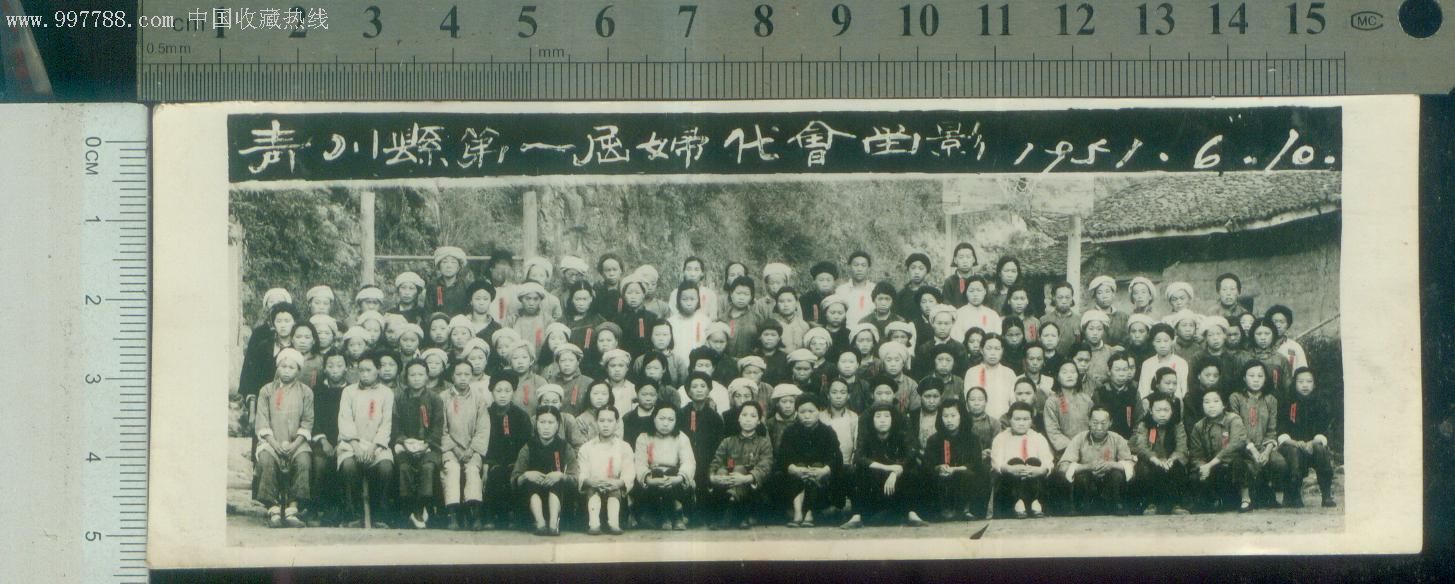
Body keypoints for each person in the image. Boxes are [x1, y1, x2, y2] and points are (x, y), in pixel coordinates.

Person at [840, 403, 931, 529]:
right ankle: (857, 516)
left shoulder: (900, 435)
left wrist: (895, 472)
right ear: (872, 420)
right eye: (878, 416)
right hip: (874, 483)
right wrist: (887, 468)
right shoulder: (867, 437)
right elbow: (859, 458)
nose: (882, 420)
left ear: (892, 419)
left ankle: (912, 513)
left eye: (887, 416)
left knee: (914, 471)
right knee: (854, 472)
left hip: (897, 484)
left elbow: (911, 455)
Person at [254, 348, 315, 528]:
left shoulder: (306, 392)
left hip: (297, 443)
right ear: (277, 367)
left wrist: (295, 445)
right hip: (271, 442)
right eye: (283, 366)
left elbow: (307, 422)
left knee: (303, 462)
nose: (287, 371)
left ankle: (292, 509)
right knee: (266, 460)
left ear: (298, 370)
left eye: (291, 367)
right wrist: (274, 444)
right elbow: (262, 420)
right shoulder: (266, 390)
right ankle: (273, 510)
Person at [336, 352, 396, 528]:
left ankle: (380, 516)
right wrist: (355, 446)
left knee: (385, 468)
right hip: (351, 444)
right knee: (348, 467)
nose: (364, 374)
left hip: (377, 446)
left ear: (378, 370)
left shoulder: (387, 393)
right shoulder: (348, 391)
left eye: (368, 370)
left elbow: (386, 424)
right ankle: (352, 515)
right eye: (361, 370)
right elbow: (345, 420)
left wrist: (373, 448)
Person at [775, 394, 843, 528]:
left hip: (821, 477)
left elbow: (836, 457)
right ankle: (798, 512)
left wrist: (825, 470)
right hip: (797, 475)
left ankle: (809, 513)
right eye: (802, 412)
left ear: (819, 411)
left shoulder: (827, 432)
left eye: (811, 411)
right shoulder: (790, 432)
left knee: (816, 469)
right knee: (798, 469)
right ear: (797, 413)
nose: (807, 416)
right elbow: (783, 456)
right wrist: (792, 468)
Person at [392, 359, 445, 529]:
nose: (416, 378)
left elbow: (438, 426)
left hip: (429, 446)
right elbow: (395, 425)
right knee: (404, 468)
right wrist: (404, 442)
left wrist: (426, 444)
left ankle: (423, 506)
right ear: (406, 377)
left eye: (420, 374)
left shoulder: (435, 399)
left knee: (428, 467)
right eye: (412, 375)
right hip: (406, 445)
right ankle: (408, 509)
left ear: (427, 377)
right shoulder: (399, 398)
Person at [439, 360, 491, 530]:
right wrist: (453, 448)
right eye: (458, 374)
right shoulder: (443, 398)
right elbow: (441, 428)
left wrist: (472, 449)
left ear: (472, 376)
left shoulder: (479, 399)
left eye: (467, 374)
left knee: (473, 470)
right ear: (452, 376)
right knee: (452, 469)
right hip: (450, 448)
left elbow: (483, 428)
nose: (463, 378)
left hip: (472, 448)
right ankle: (452, 514)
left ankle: (474, 513)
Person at [511, 405, 579, 536]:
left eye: (550, 422)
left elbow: (575, 478)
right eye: (542, 422)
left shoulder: (565, 447)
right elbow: (515, 478)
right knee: (530, 483)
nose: (546, 427)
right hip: (533, 502)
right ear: (536, 424)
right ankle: (540, 523)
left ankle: (554, 524)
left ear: (557, 425)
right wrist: (526, 475)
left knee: (557, 482)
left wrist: (561, 476)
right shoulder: (528, 447)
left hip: (559, 501)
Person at [708, 401, 776, 530]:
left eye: (753, 416)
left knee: (740, 469)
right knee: (722, 470)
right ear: (738, 419)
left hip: (751, 489)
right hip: (727, 483)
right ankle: (732, 507)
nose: (748, 419)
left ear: (759, 421)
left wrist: (746, 478)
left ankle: (730, 510)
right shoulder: (727, 442)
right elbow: (716, 462)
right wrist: (713, 477)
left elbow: (765, 466)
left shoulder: (763, 443)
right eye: (744, 415)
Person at [1229, 360, 1286, 508]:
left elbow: (1272, 430)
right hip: (1242, 446)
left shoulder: (1271, 400)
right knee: (1243, 464)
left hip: (1264, 446)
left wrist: (1266, 452)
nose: (1256, 380)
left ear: (1265, 379)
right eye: (1251, 376)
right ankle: (1247, 496)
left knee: (1279, 463)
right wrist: (1253, 450)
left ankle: (1267, 491)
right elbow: (1237, 429)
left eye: (1260, 376)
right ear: (1244, 377)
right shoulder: (1235, 398)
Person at [1278, 367, 1337, 508]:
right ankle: (1294, 494)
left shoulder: (1321, 403)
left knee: (1321, 450)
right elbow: (1281, 429)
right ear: (1294, 383)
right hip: (1292, 445)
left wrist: (1312, 442)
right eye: (1300, 382)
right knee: (1293, 452)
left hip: (1312, 444)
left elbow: (1324, 429)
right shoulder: (1287, 403)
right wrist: (1295, 442)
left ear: (1314, 384)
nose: (1305, 385)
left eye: (1309, 381)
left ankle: (1326, 495)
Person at [1060, 407, 1136, 516]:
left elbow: (1130, 466)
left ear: (1110, 423)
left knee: (1117, 474)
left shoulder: (1117, 439)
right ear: (1089, 422)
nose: (1099, 427)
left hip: (1109, 488)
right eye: (1095, 423)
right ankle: (1083, 508)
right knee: (1082, 475)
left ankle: (1116, 506)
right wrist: (1087, 466)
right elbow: (1063, 466)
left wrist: (1111, 465)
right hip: (1088, 487)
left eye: (1103, 423)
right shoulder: (1079, 438)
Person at [634, 403, 696, 530]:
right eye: (661, 419)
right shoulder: (644, 437)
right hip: (653, 478)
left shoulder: (681, 437)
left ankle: (673, 515)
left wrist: (678, 478)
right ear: (654, 418)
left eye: (670, 419)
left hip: (674, 478)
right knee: (657, 473)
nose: (665, 423)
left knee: (670, 474)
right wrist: (649, 480)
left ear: (676, 421)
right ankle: (670, 515)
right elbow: (640, 463)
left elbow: (688, 462)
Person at [481, 373, 530, 530]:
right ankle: (490, 516)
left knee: (511, 472)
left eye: (507, 391)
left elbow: (526, 444)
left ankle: (513, 516)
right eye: (498, 391)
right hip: (492, 459)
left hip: (515, 460)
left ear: (513, 392)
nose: (503, 395)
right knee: (495, 473)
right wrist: (487, 463)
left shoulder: (521, 416)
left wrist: (518, 463)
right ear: (492, 392)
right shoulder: (485, 414)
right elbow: (483, 441)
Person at [1188, 391, 1250, 513]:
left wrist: (1210, 464)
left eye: (1216, 401)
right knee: (1195, 477)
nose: (1211, 405)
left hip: (1231, 464)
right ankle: (1214, 500)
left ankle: (1246, 499)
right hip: (1212, 468)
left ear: (1223, 405)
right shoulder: (1198, 426)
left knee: (1238, 463)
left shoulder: (1233, 419)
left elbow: (1235, 444)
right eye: (1207, 402)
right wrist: (1203, 467)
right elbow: (1196, 454)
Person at [578, 406, 635, 535]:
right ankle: (594, 524)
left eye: (610, 421)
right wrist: (590, 482)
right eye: (602, 420)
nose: (605, 425)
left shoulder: (624, 447)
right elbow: (582, 472)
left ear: (617, 423)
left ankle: (614, 523)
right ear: (596, 422)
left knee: (614, 491)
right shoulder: (586, 448)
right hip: (592, 491)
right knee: (592, 490)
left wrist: (618, 483)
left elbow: (629, 473)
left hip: (615, 491)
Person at [922, 399, 983, 521]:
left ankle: (966, 509)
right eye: (945, 416)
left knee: (974, 473)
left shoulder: (972, 438)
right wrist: (938, 467)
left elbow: (976, 462)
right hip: (942, 478)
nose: (949, 420)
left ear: (961, 416)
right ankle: (943, 509)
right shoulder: (934, 440)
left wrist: (956, 469)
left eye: (953, 416)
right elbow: (928, 463)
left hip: (963, 475)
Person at [990, 402, 1054, 519]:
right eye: (1017, 419)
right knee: (1015, 461)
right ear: (1010, 419)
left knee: (1034, 461)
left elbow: (1048, 461)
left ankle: (1034, 502)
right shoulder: (1001, 438)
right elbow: (996, 463)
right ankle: (1018, 502)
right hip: (1010, 484)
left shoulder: (1038, 438)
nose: (1021, 423)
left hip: (1033, 483)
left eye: (1025, 419)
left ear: (1031, 420)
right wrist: (1009, 469)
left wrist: (1040, 470)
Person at [1131, 394, 1190, 515]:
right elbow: (1141, 447)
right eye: (1158, 410)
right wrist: (1155, 459)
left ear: (1172, 411)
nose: (1162, 414)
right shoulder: (1144, 425)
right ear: (1151, 411)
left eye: (1166, 410)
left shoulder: (1177, 425)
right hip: (1152, 461)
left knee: (1178, 467)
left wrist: (1172, 459)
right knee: (1144, 469)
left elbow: (1181, 446)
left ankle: (1176, 505)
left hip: (1170, 460)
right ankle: (1150, 504)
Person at [308, 352, 348, 526]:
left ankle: (338, 511)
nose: (335, 370)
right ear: (324, 369)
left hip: (345, 440)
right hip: (322, 440)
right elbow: (313, 418)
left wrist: (342, 442)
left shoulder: (351, 390)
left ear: (346, 368)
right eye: (330, 366)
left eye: (339, 365)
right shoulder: (317, 391)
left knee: (343, 462)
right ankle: (316, 508)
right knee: (320, 462)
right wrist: (323, 441)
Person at [680, 371, 726, 520]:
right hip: (685, 461)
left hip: (707, 462)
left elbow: (719, 446)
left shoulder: (715, 418)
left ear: (709, 390)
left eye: (703, 386)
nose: (699, 390)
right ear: (688, 391)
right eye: (694, 386)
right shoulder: (681, 413)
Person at [966, 334, 1018, 420]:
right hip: (978, 421)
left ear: (1002, 350)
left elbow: (1014, 402)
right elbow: (968, 402)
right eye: (989, 348)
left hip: (1004, 422)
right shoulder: (972, 372)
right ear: (981, 350)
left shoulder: (1009, 373)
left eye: (997, 349)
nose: (993, 353)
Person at [1094, 351, 1141, 439]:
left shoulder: (1133, 393)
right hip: (1105, 439)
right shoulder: (1100, 393)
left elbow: (1139, 420)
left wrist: (1132, 439)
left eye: (1124, 369)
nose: (1121, 374)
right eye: (1117, 370)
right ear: (1109, 371)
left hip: (1128, 440)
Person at [1138, 324, 1189, 400]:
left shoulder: (1181, 363)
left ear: (1172, 341)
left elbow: (1184, 391)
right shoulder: (1147, 364)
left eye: (1166, 341)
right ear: (1153, 342)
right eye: (1158, 341)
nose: (1162, 345)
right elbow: (1143, 391)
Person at [720, 276, 767, 357]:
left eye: (746, 294)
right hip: (727, 361)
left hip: (750, 361)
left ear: (751, 297)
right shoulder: (723, 318)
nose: (741, 298)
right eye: (738, 293)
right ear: (731, 294)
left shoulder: (757, 318)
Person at [952, 277, 1001, 342]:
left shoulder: (992, 314)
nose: (975, 294)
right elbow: (956, 338)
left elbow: (997, 336)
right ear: (966, 292)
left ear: (985, 292)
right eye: (971, 291)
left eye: (979, 290)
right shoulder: (958, 314)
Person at [1265, 304, 1310, 376]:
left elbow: (1303, 373)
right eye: (1275, 322)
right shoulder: (1262, 344)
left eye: (1282, 322)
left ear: (1287, 325)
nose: (1278, 325)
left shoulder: (1295, 347)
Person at [428, 246, 471, 316]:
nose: (449, 266)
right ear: (439, 266)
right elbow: (428, 312)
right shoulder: (433, 286)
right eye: (444, 262)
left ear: (459, 267)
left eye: (453, 262)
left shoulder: (467, 285)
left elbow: (470, 311)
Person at [837, 251, 877, 325]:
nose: (859, 269)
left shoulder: (875, 289)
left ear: (868, 268)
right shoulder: (841, 290)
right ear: (849, 267)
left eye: (863, 265)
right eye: (856, 265)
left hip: (869, 330)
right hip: (847, 330)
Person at [896, 253, 937, 322]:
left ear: (927, 272)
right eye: (913, 268)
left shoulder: (934, 294)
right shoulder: (901, 295)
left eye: (921, 268)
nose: (917, 272)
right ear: (907, 270)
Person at [942, 242, 979, 308]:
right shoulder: (949, 282)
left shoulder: (980, 280)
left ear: (973, 259)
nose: (965, 261)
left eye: (968, 257)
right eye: (961, 257)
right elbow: (946, 304)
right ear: (955, 260)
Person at [592, 254, 626, 319]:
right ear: (602, 273)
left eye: (615, 270)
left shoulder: (626, 289)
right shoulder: (596, 290)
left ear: (621, 270)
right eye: (608, 270)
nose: (611, 274)